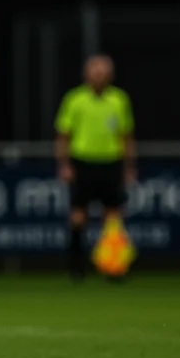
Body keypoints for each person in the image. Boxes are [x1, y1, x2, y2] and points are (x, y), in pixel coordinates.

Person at [54, 55, 136, 279]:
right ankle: (77, 266)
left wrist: (129, 167)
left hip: (111, 163)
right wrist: (64, 164)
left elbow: (126, 136)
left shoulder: (119, 100)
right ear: (86, 74)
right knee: (79, 217)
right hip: (83, 163)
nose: (99, 75)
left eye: (103, 71)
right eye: (95, 71)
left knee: (113, 217)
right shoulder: (75, 99)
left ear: (110, 75)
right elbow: (63, 135)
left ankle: (114, 267)